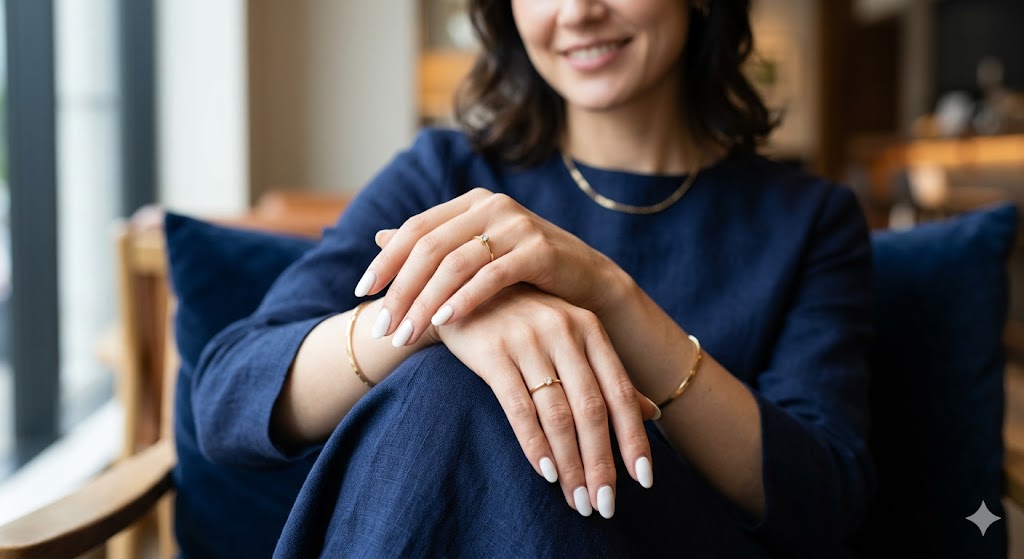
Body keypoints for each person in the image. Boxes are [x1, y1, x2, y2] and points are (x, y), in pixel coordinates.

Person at [190, 0, 875, 556]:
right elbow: (225, 396)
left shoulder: (809, 219)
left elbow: (825, 498)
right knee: (447, 382)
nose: (576, 12)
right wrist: (450, 314)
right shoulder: (444, 174)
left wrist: (610, 296)